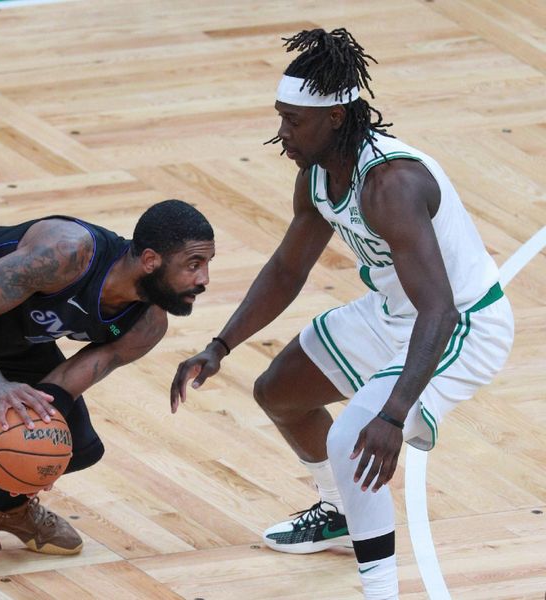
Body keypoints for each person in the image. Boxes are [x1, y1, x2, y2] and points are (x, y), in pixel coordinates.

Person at [171, 28, 513, 600]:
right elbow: (287, 269)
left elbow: (440, 310)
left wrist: (394, 414)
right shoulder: (316, 176)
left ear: (334, 117)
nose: (281, 134)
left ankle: (380, 588)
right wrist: (220, 346)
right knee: (279, 391)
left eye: (293, 121)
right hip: (395, 312)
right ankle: (338, 511)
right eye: (281, 117)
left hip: (462, 325)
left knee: (356, 436)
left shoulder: (392, 184)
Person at [0, 199, 215, 599]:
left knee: (76, 448)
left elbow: (60, 388)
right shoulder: (67, 252)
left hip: (15, 338)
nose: (204, 279)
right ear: (150, 260)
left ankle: (4, 505)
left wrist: (31, 454)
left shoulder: (146, 325)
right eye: (194, 264)